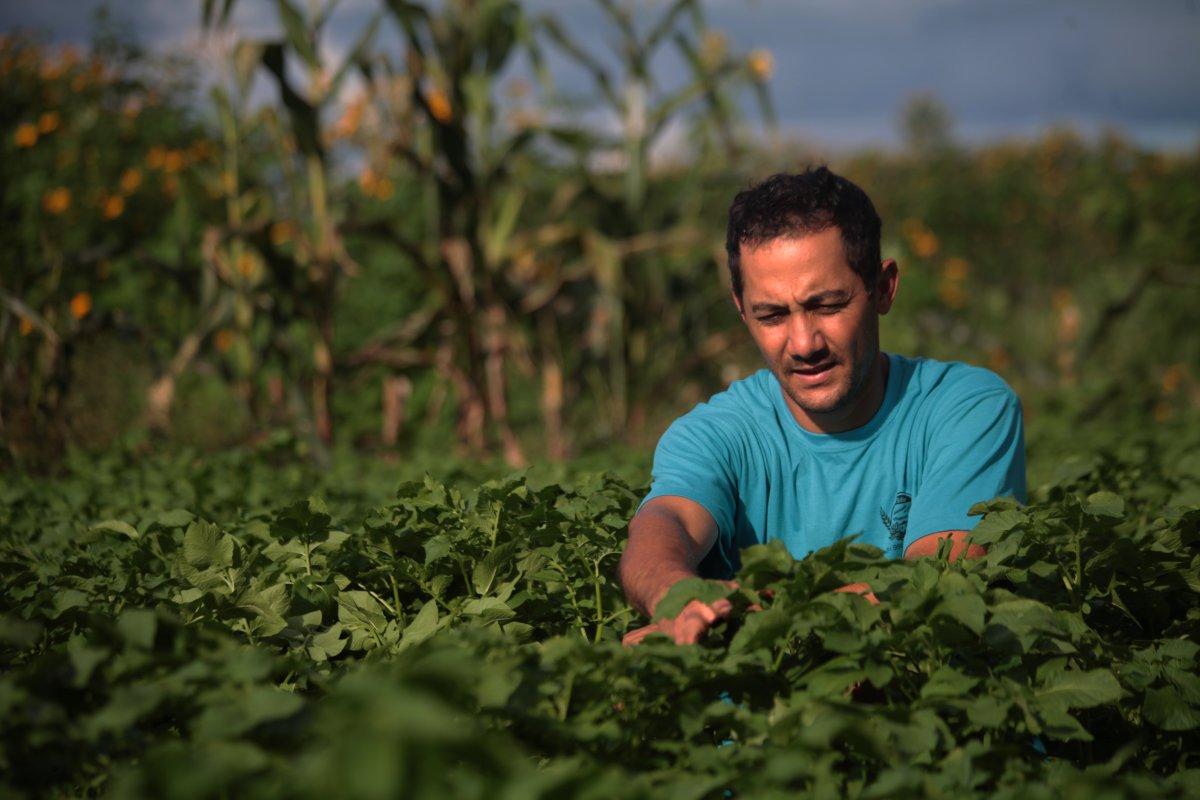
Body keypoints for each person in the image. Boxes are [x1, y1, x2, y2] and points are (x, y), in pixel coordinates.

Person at [618, 167, 1026, 646]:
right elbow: (664, 524)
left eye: (827, 305)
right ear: (741, 309)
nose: (803, 343)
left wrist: (746, 612)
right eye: (771, 315)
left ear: (883, 288)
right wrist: (675, 594)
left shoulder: (966, 410)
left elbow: (940, 583)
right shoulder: (715, 433)